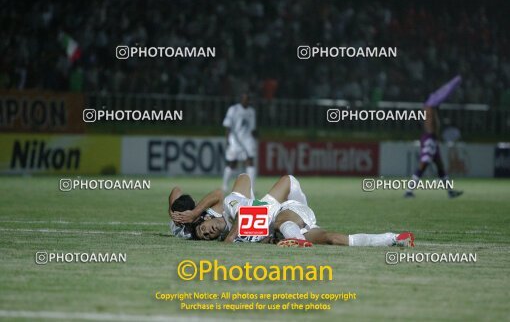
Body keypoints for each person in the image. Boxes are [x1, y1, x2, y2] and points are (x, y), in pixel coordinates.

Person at [171, 174, 415, 248]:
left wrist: (186, 215)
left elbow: (243, 188)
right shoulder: (237, 239)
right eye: (206, 236)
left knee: (279, 221)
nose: (208, 231)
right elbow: (257, 232)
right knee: (334, 239)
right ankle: (395, 238)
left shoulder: (231, 209)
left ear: (206, 219)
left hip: (287, 212)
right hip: (291, 228)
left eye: (203, 228)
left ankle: (296, 243)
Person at [405, 76, 464, 198]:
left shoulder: (430, 108)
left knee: (440, 166)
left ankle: (450, 191)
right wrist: (454, 83)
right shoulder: (429, 107)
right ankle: (409, 191)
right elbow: (442, 94)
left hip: (433, 139)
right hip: (429, 139)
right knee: (424, 163)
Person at [222, 93, 257, 193]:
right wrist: (228, 140)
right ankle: (225, 185)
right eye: (245, 99)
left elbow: (252, 128)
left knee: (250, 162)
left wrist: (256, 137)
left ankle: (251, 188)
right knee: (232, 163)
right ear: (241, 99)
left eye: (248, 99)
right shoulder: (233, 109)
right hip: (235, 140)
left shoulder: (251, 111)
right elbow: (228, 126)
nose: (247, 101)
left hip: (247, 140)